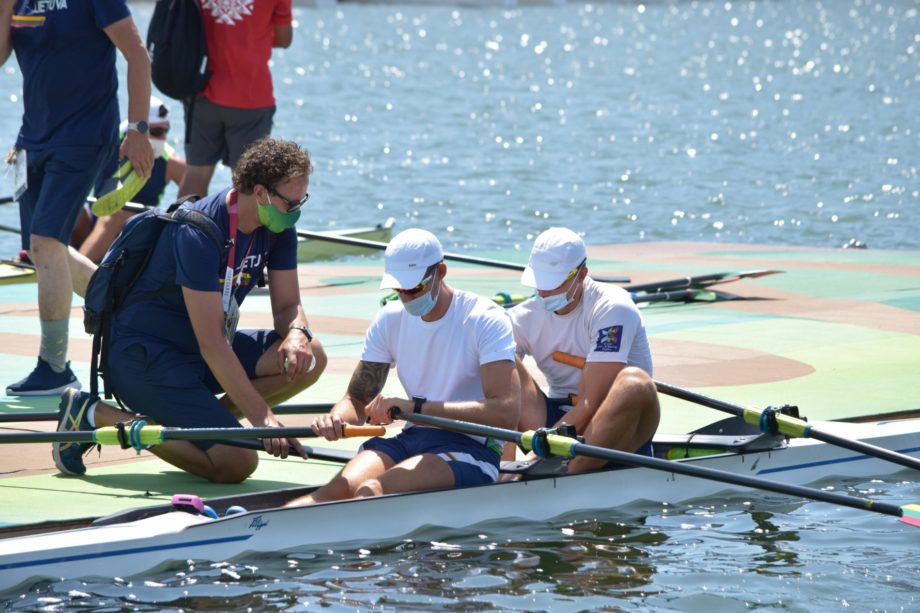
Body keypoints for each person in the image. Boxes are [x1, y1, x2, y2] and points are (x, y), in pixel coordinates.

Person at [54, 137, 325, 484]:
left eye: (303, 201)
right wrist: (262, 418)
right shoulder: (197, 232)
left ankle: (209, 425)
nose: (297, 211)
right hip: (145, 359)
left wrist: (298, 333)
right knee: (236, 463)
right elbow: (213, 343)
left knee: (310, 356)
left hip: (197, 354)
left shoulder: (278, 227)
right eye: (292, 203)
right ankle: (95, 413)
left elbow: (288, 307)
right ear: (260, 193)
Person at [285, 229, 520, 506]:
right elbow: (356, 400)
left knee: (372, 491)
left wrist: (415, 408)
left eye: (414, 288)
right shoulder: (390, 319)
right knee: (333, 493)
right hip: (413, 438)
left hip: (471, 448)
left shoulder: (484, 319)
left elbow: (507, 413)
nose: (406, 297)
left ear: (441, 271)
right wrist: (336, 418)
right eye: (399, 289)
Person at [2, 0, 154, 396]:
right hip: (33, 140)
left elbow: (137, 55)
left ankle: (55, 367)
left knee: (45, 242)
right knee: (44, 249)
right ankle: (130, 306)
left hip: (85, 136)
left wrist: (138, 129)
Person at [507, 227, 660, 474]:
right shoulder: (521, 318)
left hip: (614, 425)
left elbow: (592, 403)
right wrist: (506, 466)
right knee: (501, 361)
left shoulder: (612, 308)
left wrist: (534, 456)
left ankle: (571, 473)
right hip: (554, 418)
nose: (543, 292)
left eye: (553, 284)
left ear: (582, 274)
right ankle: (501, 471)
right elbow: (499, 393)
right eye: (539, 282)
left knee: (635, 383)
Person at [178, 0, 293, 198]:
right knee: (248, 181)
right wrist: (255, 34)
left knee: (196, 173)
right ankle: (239, 230)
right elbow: (284, 39)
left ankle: (181, 228)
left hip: (201, 89)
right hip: (250, 98)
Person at [74, 96, 187, 263]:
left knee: (114, 217)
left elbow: (195, 203)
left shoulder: (171, 163)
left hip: (136, 231)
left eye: (166, 131)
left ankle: (73, 275)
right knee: (72, 212)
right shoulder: (108, 143)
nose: (163, 138)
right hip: (96, 221)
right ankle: (43, 257)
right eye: (156, 132)